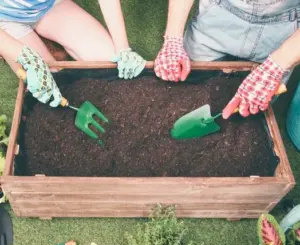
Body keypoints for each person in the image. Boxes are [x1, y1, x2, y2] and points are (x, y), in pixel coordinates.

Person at [154, 0, 300, 150]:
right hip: (218, 15)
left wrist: (277, 65)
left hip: (282, 28)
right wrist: (173, 38)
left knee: (255, 104)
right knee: (191, 77)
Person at [0, 0, 146, 107]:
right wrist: (26, 57)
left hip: (49, 5)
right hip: (5, 20)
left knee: (107, 60)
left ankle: (46, 40)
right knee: (52, 88)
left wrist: (122, 47)